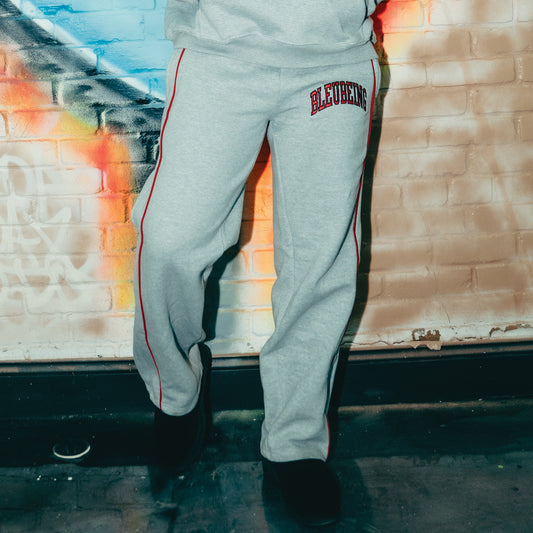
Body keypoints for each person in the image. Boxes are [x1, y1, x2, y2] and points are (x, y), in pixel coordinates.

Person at [131, 0, 383, 527]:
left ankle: (295, 442)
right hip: (218, 52)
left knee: (320, 259)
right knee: (169, 238)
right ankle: (176, 395)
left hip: (333, 56)